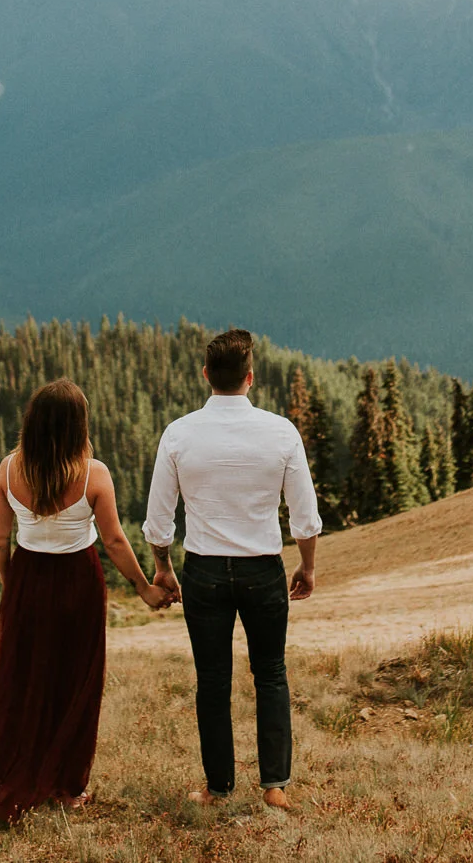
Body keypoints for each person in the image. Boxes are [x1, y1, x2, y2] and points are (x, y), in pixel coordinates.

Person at [0, 378, 171, 822]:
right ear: (77, 425)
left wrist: (14, 589)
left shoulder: (8, 470)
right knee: (75, 683)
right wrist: (144, 587)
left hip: (29, 576)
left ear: (33, 423)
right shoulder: (93, 473)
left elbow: (0, 542)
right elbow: (115, 541)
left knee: (21, 682)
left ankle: (8, 772)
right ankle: (65, 787)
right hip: (78, 581)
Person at [143, 328, 323, 811]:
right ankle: (274, 786)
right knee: (271, 674)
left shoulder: (179, 433)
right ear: (250, 377)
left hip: (203, 571)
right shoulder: (281, 432)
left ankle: (218, 787)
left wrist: (163, 568)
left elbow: (160, 521)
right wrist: (306, 566)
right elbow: (304, 517)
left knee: (213, 679)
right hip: (263, 569)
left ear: (206, 375)